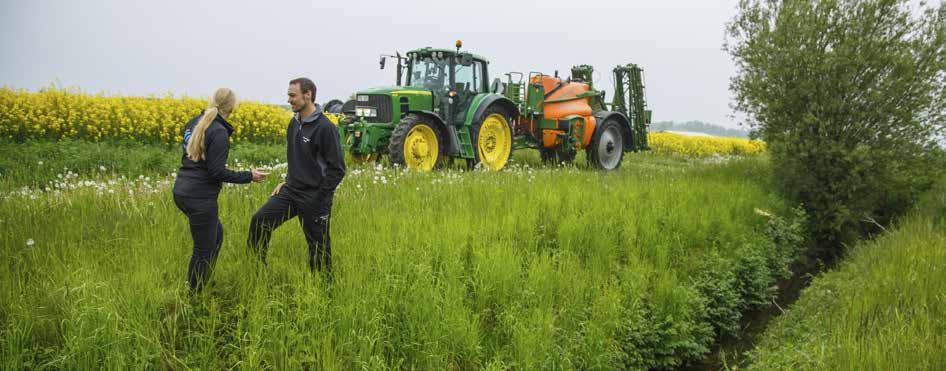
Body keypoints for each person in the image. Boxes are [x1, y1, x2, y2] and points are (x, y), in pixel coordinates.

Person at [172, 88, 268, 292]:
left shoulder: (194, 122)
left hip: (183, 190)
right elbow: (216, 171)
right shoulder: (219, 132)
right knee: (203, 249)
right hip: (199, 197)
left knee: (216, 235)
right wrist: (249, 176)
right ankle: (194, 293)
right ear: (232, 107)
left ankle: (203, 280)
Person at [247, 77, 346, 274]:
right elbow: (297, 158)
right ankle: (255, 271)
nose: (289, 100)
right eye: (288, 95)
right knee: (259, 222)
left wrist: (321, 196)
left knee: (318, 248)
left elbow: (338, 169)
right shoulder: (294, 124)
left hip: (314, 196)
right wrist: (287, 180)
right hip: (291, 192)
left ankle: (323, 291)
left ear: (307, 95)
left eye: (292, 95)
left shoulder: (326, 128)